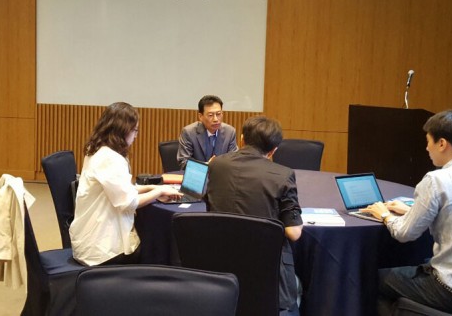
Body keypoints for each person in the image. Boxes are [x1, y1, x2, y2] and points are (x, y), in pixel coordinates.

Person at [361, 110, 452, 315]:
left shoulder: (437, 179)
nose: (426, 148)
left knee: (370, 279)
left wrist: (384, 215)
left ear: (442, 144)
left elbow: (404, 234)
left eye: (428, 141)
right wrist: (411, 210)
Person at [205, 116, 303, 315]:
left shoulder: (216, 164)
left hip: (219, 262)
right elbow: (293, 232)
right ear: (274, 150)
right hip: (265, 270)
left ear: (242, 139)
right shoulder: (283, 175)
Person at [69, 102, 182, 266]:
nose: (136, 135)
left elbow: (121, 189)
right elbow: (128, 202)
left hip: (89, 240)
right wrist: (158, 192)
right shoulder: (110, 159)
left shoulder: (97, 150)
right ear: (122, 130)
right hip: (102, 251)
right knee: (157, 246)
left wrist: (154, 188)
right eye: (135, 130)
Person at [176, 95, 238, 169]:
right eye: (210, 115)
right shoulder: (189, 132)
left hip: (221, 175)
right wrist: (206, 165)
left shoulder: (230, 132)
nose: (215, 119)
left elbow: (234, 161)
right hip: (198, 175)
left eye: (218, 114)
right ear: (200, 116)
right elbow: (183, 162)